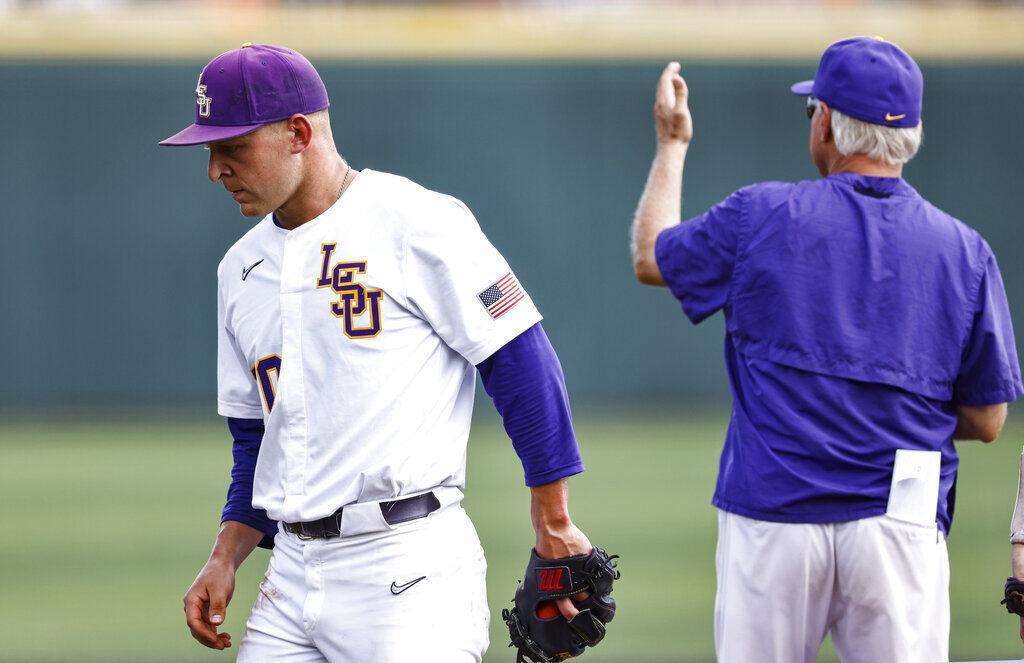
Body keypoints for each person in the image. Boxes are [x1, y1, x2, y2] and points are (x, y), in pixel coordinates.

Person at [159, 43, 596, 662]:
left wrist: (552, 518)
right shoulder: (240, 268)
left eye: (232, 149)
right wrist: (225, 555)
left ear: (299, 133)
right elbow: (257, 444)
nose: (215, 170)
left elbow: (520, 361)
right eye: (209, 151)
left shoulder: (416, 221)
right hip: (289, 572)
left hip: (406, 565)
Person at [631, 36, 1022, 662]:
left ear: (828, 127)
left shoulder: (760, 215)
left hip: (774, 514)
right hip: (901, 519)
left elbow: (652, 255)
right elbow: (987, 419)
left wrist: (673, 145)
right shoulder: (965, 251)